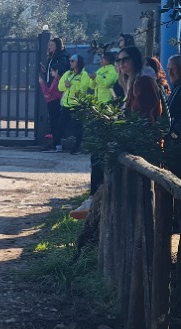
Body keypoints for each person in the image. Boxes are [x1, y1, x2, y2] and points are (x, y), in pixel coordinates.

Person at [70, 51, 119, 219]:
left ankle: (95, 197)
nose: (100, 60)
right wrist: (93, 78)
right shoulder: (101, 70)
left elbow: (107, 83)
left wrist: (96, 78)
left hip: (107, 106)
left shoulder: (111, 71)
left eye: (103, 58)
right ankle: (93, 197)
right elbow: (93, 85)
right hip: (99, 105)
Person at [119, 47, 163, 120]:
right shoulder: (132, 80)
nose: (121, 63)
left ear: (135, 59)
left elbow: (142, 112)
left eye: (125, 59)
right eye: (119, 60)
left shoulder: (144, 81)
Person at [42, 37, 70, 147]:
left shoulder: (62, 57)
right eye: (49, 45)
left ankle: (56, 142)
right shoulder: (52, 57)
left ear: (58, 46)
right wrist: (46, 72)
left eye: (52, 45)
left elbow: (62, 71)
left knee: (55, 116)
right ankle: (55, 141)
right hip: (52, 88)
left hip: (57, 90)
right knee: (53, 116)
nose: (50, 47)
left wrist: (56, 76)